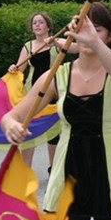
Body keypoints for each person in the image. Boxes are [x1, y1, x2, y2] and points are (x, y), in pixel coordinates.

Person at [1, 2, 111, 220]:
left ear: (110, 36)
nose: (87, 34)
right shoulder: (58, 75)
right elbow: (14, 114)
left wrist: (94, 43)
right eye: (81, 28)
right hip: (67, 181)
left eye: (96, 29)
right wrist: (10, 125)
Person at [7, 12, 72, 170]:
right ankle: (25, 171)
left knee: (54, 132)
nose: (37, 25)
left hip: (53, 92)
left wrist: (55, 42)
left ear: (48, 26)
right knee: (28, 129)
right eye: (34, 23)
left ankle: (53, 168)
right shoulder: (28, 47)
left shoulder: (56, 43)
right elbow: (20, 70)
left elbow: (73, 48)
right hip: (32, 93)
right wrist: (13, 69)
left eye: (41, 22)